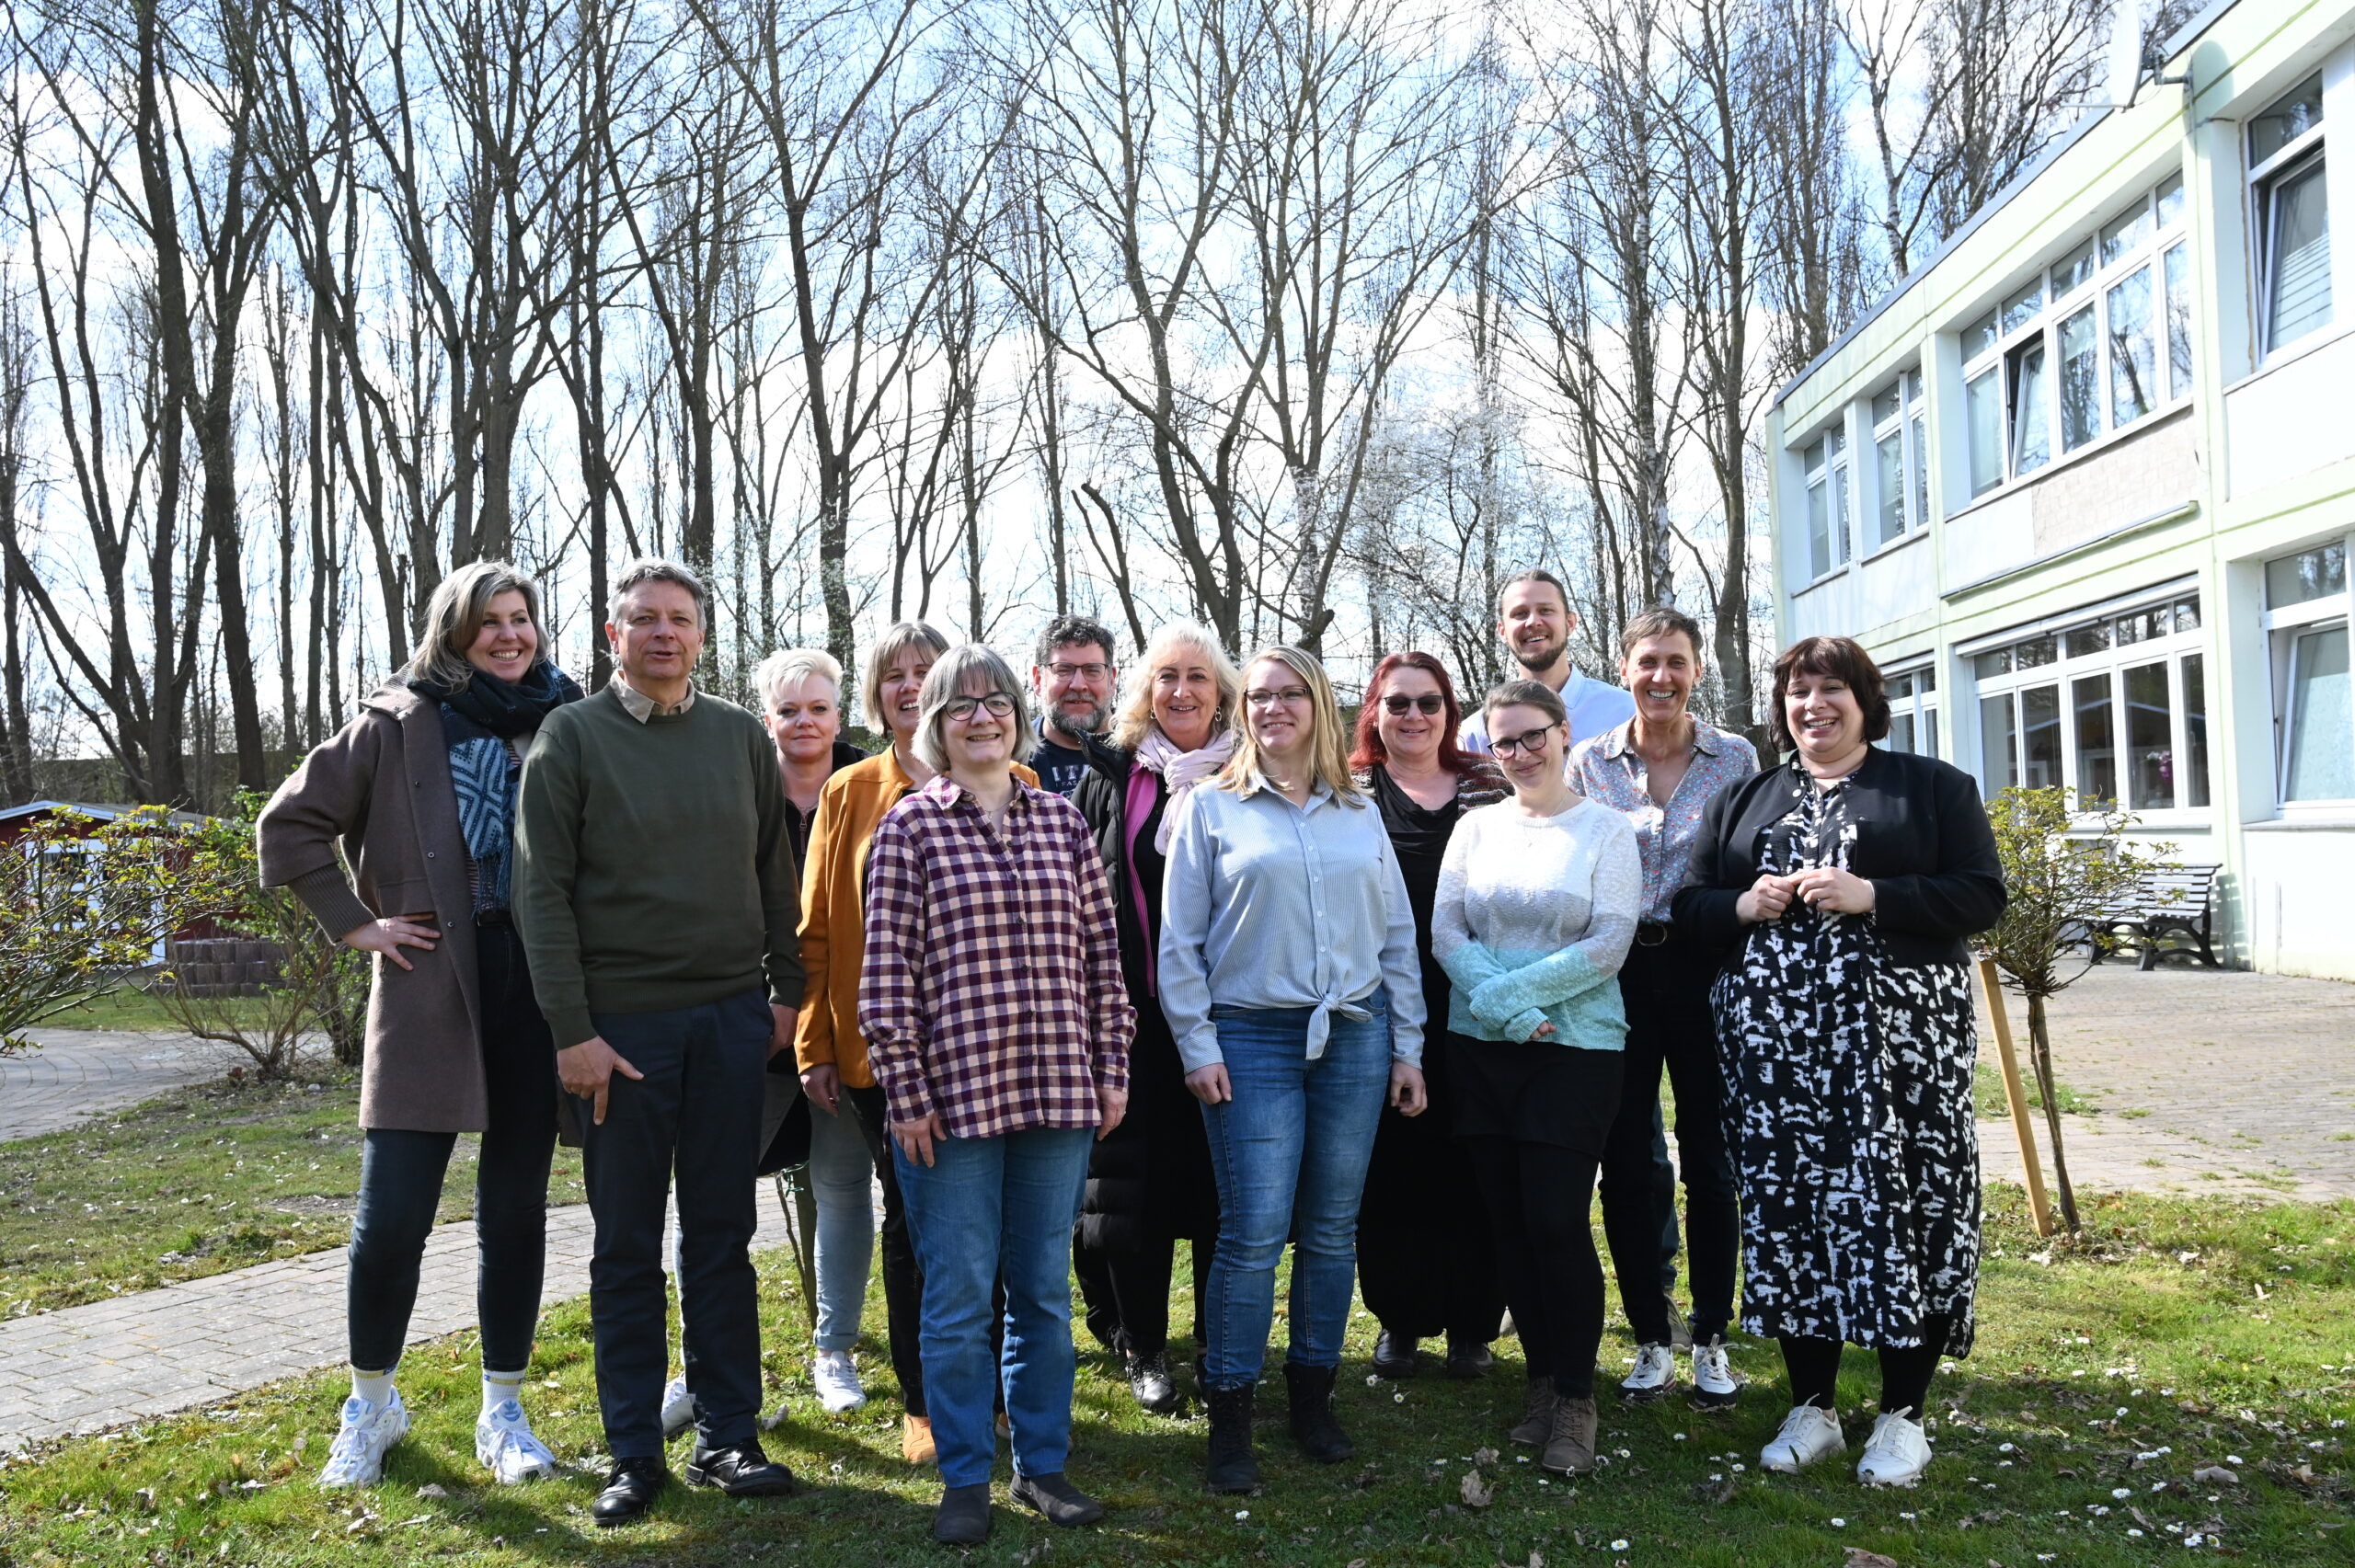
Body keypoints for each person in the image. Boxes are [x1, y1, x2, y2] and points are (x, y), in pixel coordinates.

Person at [258, 561, 581, 1489]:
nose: (511, 635)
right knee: (392, 1212)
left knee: (515, 1210)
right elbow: (290, 827)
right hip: (428, 984)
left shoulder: (567, 720)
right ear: (453, 632)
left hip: (535, 987)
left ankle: (503, 1407)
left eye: (522, 618)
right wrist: (356, 920)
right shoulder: (397, 723)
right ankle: (372, 1401)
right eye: (490, 622)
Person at [1673, 635, 2005, 1489]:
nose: (1811, 705)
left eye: (1830, 690)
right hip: (1779, 1060)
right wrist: (1742, 902)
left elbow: (1982, 895)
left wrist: (1879, 895)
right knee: (1792, 1212)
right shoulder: (1751, 796)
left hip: (1899, 1057)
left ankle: (1903, 1415)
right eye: (1796, 691)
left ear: (1864, 700)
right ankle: (1813, 1403)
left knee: (1909, 1205)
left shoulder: (1930, 788)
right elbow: (1690, 904)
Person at [513, 558, 802, 1526]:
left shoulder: (737, 738)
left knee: (722, 1237)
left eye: (680, 619)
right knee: (627, 1245)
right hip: (620, 1036)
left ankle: (730, 1433)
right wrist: (573, 1033)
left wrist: (788, 995)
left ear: (703, 636)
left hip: (728, 1021)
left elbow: (774, 873)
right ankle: (635, 1450)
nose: (664, 634)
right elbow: (539, 893)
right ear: (612, 637)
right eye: (644, 620)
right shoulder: (572, 736)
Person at [860, 645, 1134, 1546]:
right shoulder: (908, 828)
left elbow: (1104, 959)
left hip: (1057, 1093)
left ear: (1016, 716)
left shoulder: (1060, 824)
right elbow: (885, 979)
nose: (980, 716)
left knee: (1043, 1294)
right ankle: (964, 1474)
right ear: (934, 725)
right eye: (959, 705)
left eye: (994, 702)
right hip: (951, 1103)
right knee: (956, 1295)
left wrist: (1111, 1067)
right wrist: (903, 1091)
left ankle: (1043, 1465)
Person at [1159, 645, 1428, 1494]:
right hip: (1251, 1039)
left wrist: (1407, 1045)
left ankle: (1313, 1396)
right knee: (1251, 1231)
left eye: (1290, 694)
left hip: (1353, 1034)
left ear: (1317, 706)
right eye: (1260, 695)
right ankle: (1230, 1412)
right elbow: (1180, 944)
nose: (1273, 707)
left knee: (1332, 1227)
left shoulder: (1358, 810)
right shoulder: (1210, 809)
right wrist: (1198, 1044)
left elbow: (1394, 938)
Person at [795, 621, 1041, 1464]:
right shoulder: (852, 790)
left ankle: (1001, 1394)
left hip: (990, 1049)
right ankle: (927, 1402)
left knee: (995, 1225)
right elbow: (819, 928)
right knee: (915, 1220)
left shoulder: (1019, 783)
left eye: (924, 671)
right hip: (881, 1052)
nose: (909, 685)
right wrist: (814, 1044)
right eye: (893, 674)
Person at [1432, 679, 1640, 1477]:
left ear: (1563, 734)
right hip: (1482, 1047)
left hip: (1576, 1048)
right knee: (1508, 1222)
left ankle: (1580, 1397)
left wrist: (1508, 999)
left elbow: (1609, 941)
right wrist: (1503, 1011)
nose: (1519, 753)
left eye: (1531, 736)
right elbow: (1447, 928)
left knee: (1556, 1219)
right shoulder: (1475, 829)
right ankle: (1543, 1385)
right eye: (1503, 741)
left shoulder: (1605, 829)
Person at [1568, 608, 1757, 1410]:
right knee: (1628, 1159)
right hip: (1615, 971)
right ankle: (1650, 1333)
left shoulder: (1736, 757)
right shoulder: (1589, 761)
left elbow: (1752, 856)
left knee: (1710, 1157)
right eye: (1647, 662)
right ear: (1624, 667)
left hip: (1704, 965)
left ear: (1698, 668)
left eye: (1676, 662)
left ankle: (1712, 1333)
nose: (1661, 678)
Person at [1069, 624, 1240, 1414]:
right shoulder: (1114, 776)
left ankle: (1217, 1344)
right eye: (1166, 676)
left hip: (1227, 1018)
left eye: (1197, 677)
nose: (1181, 691)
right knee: (1129, 1199)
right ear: (1143, 689)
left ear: (1222, 691)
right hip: (1132, 1021)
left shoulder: (1249, 772)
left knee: (1216, 1191)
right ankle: (1143, 1346)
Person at [1349, 653, 1510, 1382]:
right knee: (1393, 1166)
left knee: (1476, 1160)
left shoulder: (1490, 786)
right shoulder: (1347, 791)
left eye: (1430, 703)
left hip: (1478, 1000)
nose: (1414, 716)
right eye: (1398, 703)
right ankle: (1400, 1319)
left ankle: (1474, 1324)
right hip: (1379, 1002)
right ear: (1375, 713)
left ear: (1451, 712)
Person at [752, 649, 872, 1415]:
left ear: (839, 717)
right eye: (789, 710)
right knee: (716, 1190)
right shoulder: (737, 785)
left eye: (818, 709)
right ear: (768, 718)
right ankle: (707, 1362)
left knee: (840, 1183)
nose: (805, 722)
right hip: (753, 1020)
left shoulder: (867, 787)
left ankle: (835, 1349)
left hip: (838, 1022)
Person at [1455, 569, 1637, 758]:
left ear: (1570, 623)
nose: (1533, 622)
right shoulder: (1476, 735)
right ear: (1502, 631)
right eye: (1520, 613)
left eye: (1545, 610)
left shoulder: (1625, 712)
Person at [1028, 614, 1119, 797]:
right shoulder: (1010, 758)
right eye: (1063, 670)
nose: (1078, 684)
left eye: (1092, 670)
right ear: (1038, 680)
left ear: (1112, 680)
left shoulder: (1147, 753)